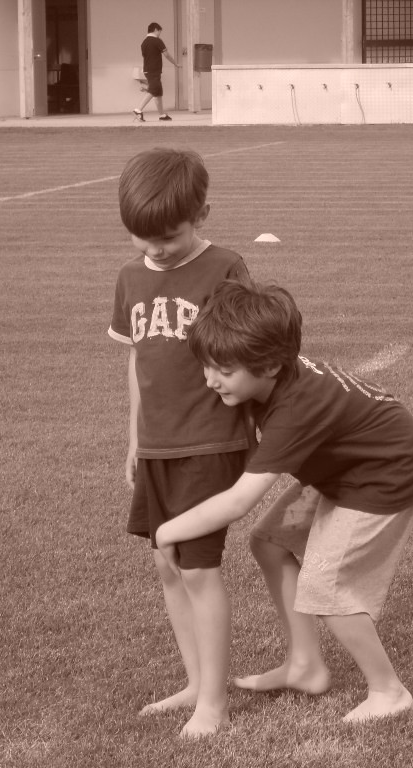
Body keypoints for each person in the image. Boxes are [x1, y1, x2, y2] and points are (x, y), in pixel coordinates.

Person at [155, 279, 413, 724]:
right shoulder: (272, 375)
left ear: (268, 366)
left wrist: (167, 531)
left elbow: (238, 501)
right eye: (206, 367)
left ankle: (389, 690)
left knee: (326, 588)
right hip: (344, 469)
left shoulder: (294, 408)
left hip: (384, 476)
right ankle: (306, 665)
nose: (210, 380)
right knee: (269, 542)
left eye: (223, 372)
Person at [108, 148, 251, 737]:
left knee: (197, 569)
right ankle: (195, 681)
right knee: (168, 565)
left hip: (210, 443)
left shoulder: (227, 268)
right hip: (158, 446)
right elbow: (137, 362)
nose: (156, 249)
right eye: (142, 238)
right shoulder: (130, 276)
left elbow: (251, 353)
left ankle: (213, 703)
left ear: (203, 215)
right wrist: (133, 439)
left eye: (169, 235)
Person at [134, 22, 180, 122]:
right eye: (159, 31)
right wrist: (175, 64)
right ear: (155, 29)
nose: (159, 33)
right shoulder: (157, 41)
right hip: (154, 70)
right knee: (154, 89)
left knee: (158, 92)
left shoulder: (144, 42)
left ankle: (162, 115)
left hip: (147, 69)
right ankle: (138, 110)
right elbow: (166, 54)